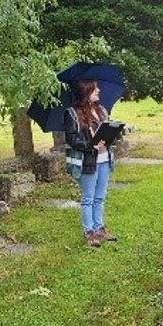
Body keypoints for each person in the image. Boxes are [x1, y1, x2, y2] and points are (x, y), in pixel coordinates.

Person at [64, 79, 118, 247]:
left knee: (100, 197)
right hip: (88, 161)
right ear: (86, 92)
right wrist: (90, 145)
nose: (99, 91)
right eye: (95, 89)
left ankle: (99, 228)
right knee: (88, 198)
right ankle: (89, 232)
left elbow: (106, 131)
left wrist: (113, 132)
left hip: (104, 160)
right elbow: (72, 139)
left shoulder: (101, 110)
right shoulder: (72, 113)